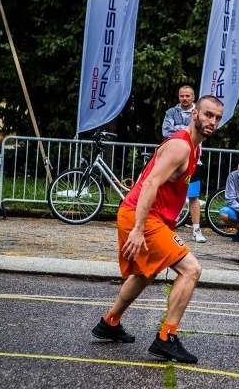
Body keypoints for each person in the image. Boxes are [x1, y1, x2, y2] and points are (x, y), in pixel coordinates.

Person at [92, 95, 224, 364]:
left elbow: (148, 175)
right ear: (194, 113)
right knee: (191, 269)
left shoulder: (194, 147)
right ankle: (166, 338)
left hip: (148, 217)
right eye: (208, 115)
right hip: (142, 218)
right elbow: (151, 183)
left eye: (218, 118)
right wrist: (139, 228)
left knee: (144, 273)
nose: (213, 122)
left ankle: (109, 322)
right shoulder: (181, 146)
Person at [163, 85, 205, 243]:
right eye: (182, 96)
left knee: (193, 196)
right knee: (171, 193)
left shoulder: (199, 114)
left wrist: (179, 129)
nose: (185, 98)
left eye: (188, 96)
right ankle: (167, 227)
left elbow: (199, 132)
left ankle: (196, 230)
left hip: (194, 159)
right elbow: (166, 131)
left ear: (193, 97)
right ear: (178, 97)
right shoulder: (171, 112)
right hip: (175, 159)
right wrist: (188, 130)